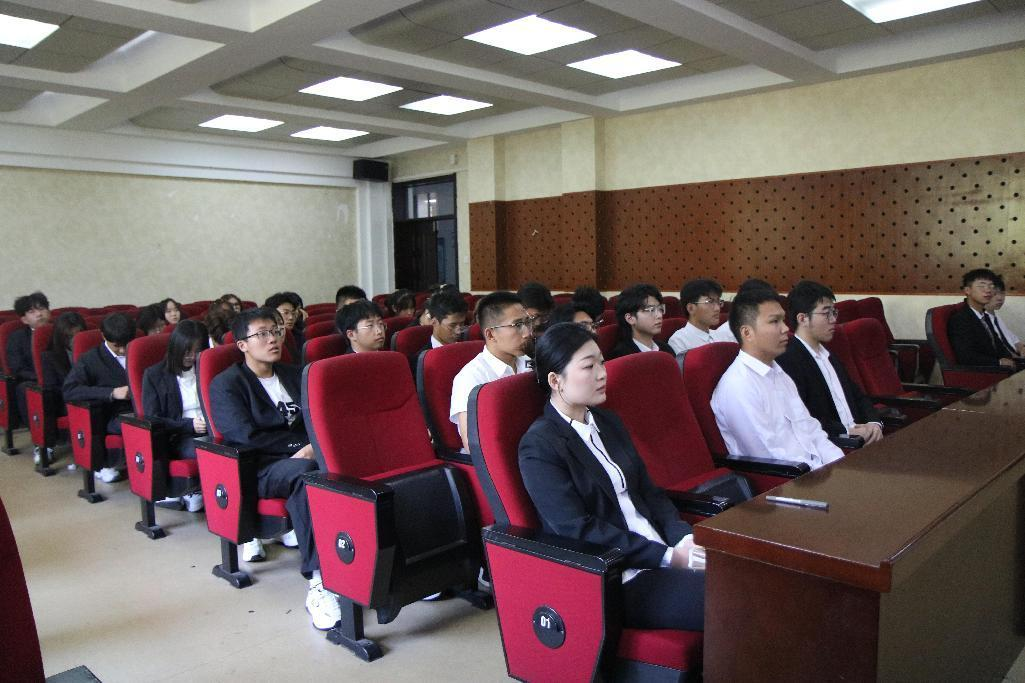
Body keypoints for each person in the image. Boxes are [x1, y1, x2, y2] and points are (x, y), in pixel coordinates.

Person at [519, 323, 705, 631]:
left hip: (664, 551)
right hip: (622, 575)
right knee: (731, 601)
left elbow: (649, 492)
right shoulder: (540, 446)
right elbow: (578, 529)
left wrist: (684, 539)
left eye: (602, 363)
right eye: (589, 367)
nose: (602, 374)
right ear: (555, 380)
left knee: (753, 577)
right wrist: (669, 557)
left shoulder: (608, 422)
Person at [209, 308, 337, 630]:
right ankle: (319, 582)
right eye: (262, 334)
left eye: (276, 331)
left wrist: (313, 446)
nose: (273, 339)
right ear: (242, 345)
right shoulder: (226, 384)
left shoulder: (296, 374)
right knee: (310, 477)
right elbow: (245, 437)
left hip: (308, 456)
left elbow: (320, 417)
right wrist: (303, 448)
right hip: (260, 467)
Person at [711, 288, 844, 470]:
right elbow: (770, 457)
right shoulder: (738, 386)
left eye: (783, 320)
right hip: (786, 481)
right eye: (775, 321)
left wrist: (839, 464)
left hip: (815, 471)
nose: (786, 328)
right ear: (747, 333)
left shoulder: (779, 373)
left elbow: (812, 430)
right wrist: (823, 473)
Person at [776, 281, 883, 445]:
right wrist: (846, 431)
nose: (833, 320)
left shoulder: (829, 354)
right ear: (803, 318)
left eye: (834, 312)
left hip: (860, 440)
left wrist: (874, 423)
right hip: (833, 444)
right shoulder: (789, 359)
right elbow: (804, 417)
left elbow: (858, 396)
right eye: (826, 313)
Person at [450, 292, 533, 452]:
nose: (527, 333)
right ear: (490, 334)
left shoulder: (528, 362)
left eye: (527, 322)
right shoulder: (470, 378)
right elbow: (474, 445)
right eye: (517, 325)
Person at [141, 320, 210, 512]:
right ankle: (198, 490)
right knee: (212, 452)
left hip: (211, 430)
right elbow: (153, 419)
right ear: (176, 348)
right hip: (180, 435)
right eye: (187, 352)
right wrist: (189, 425)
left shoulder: (206, 368)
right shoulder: (154, 375)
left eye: (197, 351)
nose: (191, 357)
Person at [62, 312, 135, 483]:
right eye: (117, 346)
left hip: (143, 406)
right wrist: (111, 393)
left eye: (126, 344)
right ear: (103, 336)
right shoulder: (90, 359)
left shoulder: (138, 351)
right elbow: (70, 390)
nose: (122, 350)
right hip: (113, 414)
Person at [37, 311, 85, 466]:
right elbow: (52, 387)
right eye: (69, 336)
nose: (74, 340)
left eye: (78, 335)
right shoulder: (49, 356)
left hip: (87, 394)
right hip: (65, 398)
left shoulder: (90, 352)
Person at [947, 268, 1017, 369]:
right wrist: (999, 362)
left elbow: (998, 345)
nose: (988, 290)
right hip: (981, 373)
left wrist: (1011, 359)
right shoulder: (960, 320)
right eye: (981, 286)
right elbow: (966, 357)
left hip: (1000, 369)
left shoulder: (985, 316)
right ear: (967, 290)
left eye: (991, 286)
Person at [7, 291, 51, 428]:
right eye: (32, 312)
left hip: (60, 377)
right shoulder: (17, 338)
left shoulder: (58, 332)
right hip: (33, 379)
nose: (39, 314)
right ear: (24, 319)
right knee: (24, 389)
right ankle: (38, 432)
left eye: (42, 309)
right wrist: (40, 377)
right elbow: (17, 368)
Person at [668, 279, 735, 355]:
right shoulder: (679, 341)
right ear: (691, 308)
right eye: (710, 302)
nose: (717, 308)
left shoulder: (720, 336)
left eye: (718, 302)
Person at [607, 284, 674, 360]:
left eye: (660, 309)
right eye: (651, 310)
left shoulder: (666, 350)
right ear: (630, 318)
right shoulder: (622, 357)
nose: (659, 315)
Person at [986, 275, 1024, 357]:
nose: (1000, 298)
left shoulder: (996, 317)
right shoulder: (981, 320)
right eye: (994, 294)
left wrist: (1022, 349)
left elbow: (1015, 341)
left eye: (1002, 293)